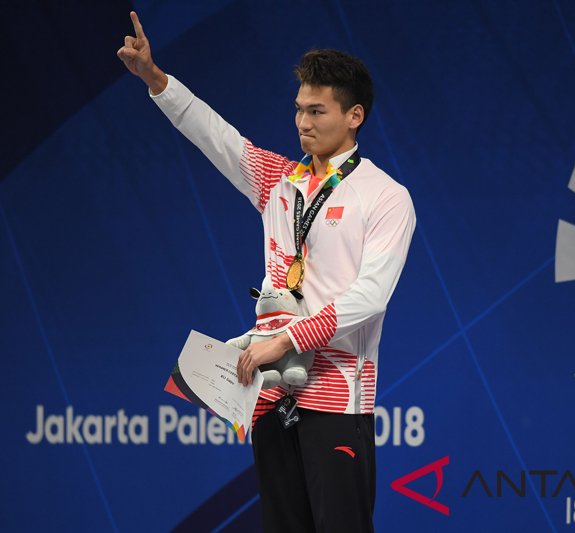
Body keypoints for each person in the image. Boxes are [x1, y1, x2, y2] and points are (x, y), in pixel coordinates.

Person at [118, 11, 415, 532]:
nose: (302, 122)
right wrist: (156, 80)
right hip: (271, 394)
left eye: (317, 111)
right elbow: (218, 138)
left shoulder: (386, 197)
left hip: (337, 400)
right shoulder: (280, 181)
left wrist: (287, 339)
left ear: (355, 116)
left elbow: (371, 296)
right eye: (299, 110)